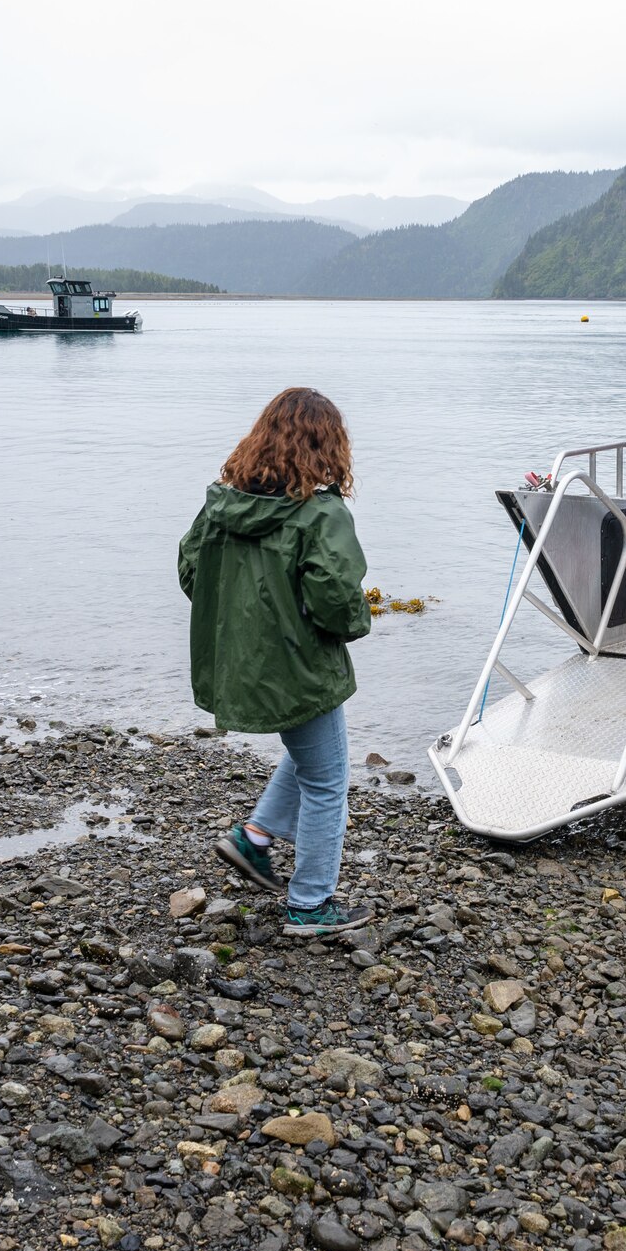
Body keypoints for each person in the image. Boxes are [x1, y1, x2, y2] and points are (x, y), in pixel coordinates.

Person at [179, 388, 374, 937]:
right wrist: (358, 622)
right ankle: (311, 904)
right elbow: (337, 599)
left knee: (312, 757)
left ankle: (255, 838)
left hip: (242, 662)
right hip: (299, 668)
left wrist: (244, 620)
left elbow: (192, 573)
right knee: (329, 779)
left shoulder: (223, 502)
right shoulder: (320, 512)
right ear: (328, 446)